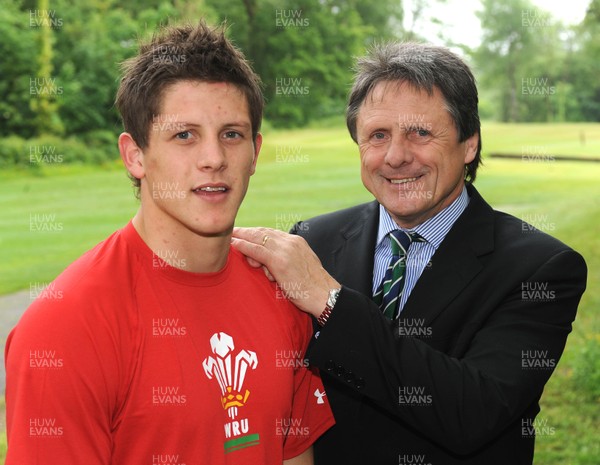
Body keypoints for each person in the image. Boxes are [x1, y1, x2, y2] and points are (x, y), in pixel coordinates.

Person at [231, 42, 587, 464]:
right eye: (378, 136)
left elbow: (473, 412)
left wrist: (331, 302)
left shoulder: (540, 269)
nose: (396, 156)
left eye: (420, 133)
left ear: (469, 143)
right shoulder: (314, 240)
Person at [5, 22, 333, 465]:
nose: (214, 158)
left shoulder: (281, 288)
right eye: (185, 135)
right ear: (135, 155)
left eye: (231, 134)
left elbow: (294, 455)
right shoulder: (66, 327)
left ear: (255, 152)